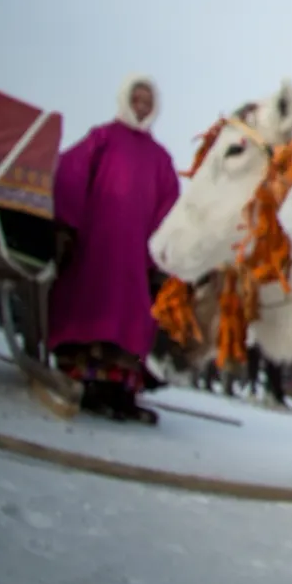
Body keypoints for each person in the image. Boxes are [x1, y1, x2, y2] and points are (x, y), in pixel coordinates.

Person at [48, 75, 180, 423]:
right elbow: (71, 174)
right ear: (124, 100)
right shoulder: (102, 138)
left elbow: (169, 209)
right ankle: (84, 382)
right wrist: (67, 225)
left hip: (135, 261)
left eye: (147, 102)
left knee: (130, 319)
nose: (140, 106)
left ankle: (119, 393)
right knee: (90, 305)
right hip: (95, 247)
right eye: (135, 99)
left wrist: (161, 256)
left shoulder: (162, 160)